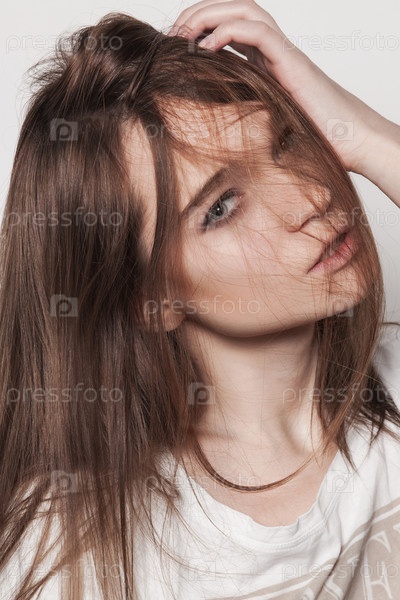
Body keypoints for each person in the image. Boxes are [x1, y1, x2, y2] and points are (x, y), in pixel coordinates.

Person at [1, 0, 400, 598]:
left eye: (288, 142)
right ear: (149, 296)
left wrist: (365, 136)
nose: (309, 198)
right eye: (221, 207)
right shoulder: (72, 549)